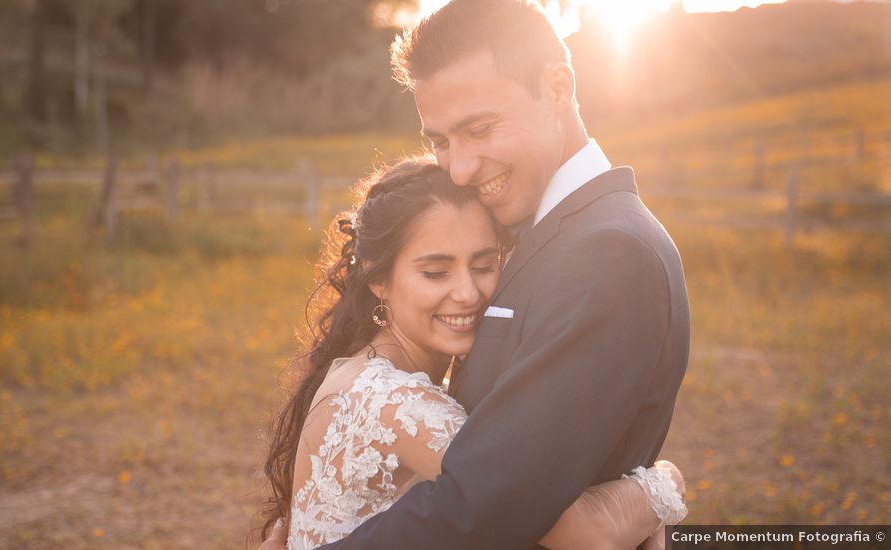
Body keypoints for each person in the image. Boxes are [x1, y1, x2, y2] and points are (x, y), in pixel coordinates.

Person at [268, 0, 690, 547]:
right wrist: (661, 488)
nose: (461, 169)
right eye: (440, 141)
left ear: (558, 88)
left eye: (480, 128)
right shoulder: (536, 227)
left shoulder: (609, 249)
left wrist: (656, 490)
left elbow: (488, 500)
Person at [261, 158, 686, 550]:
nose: (467, 294)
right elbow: (589, 532)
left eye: (484, 265)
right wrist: (664, 483)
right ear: (377, 276)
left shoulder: (364, 371)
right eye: (435, 272)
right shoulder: (392, 401)